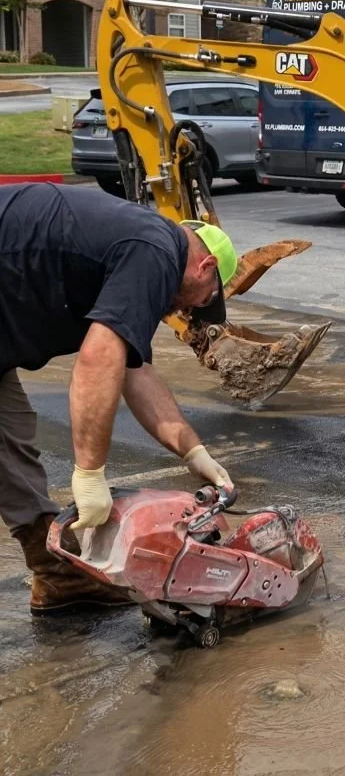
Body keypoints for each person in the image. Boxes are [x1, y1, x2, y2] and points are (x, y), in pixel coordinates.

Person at [0, 182, 238, 616]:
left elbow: (133, 369)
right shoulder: (157, 254)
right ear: (205, 266)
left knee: (10, 442)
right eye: (203, 302)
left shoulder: (145, 244)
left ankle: (59, 576)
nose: (192, 312)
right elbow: (98, 357)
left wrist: (193, 452)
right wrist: (89, 475)